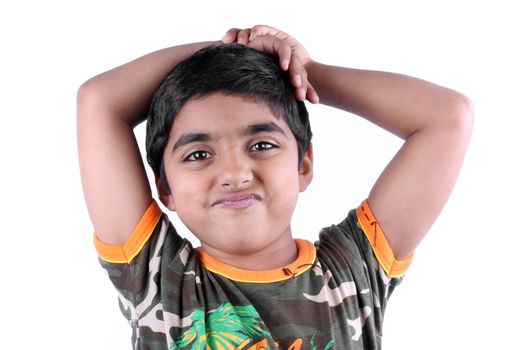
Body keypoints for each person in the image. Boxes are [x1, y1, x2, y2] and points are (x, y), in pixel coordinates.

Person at [77, 25, 473, 349]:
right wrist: (233, 49)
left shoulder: (353, 274)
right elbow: (99, 102)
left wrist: (302, 71)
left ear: (303, 164)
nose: (235, 173)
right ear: (165, 189)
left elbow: (447, 118)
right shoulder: (158, 279)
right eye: (198, 154)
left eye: (262, 145)